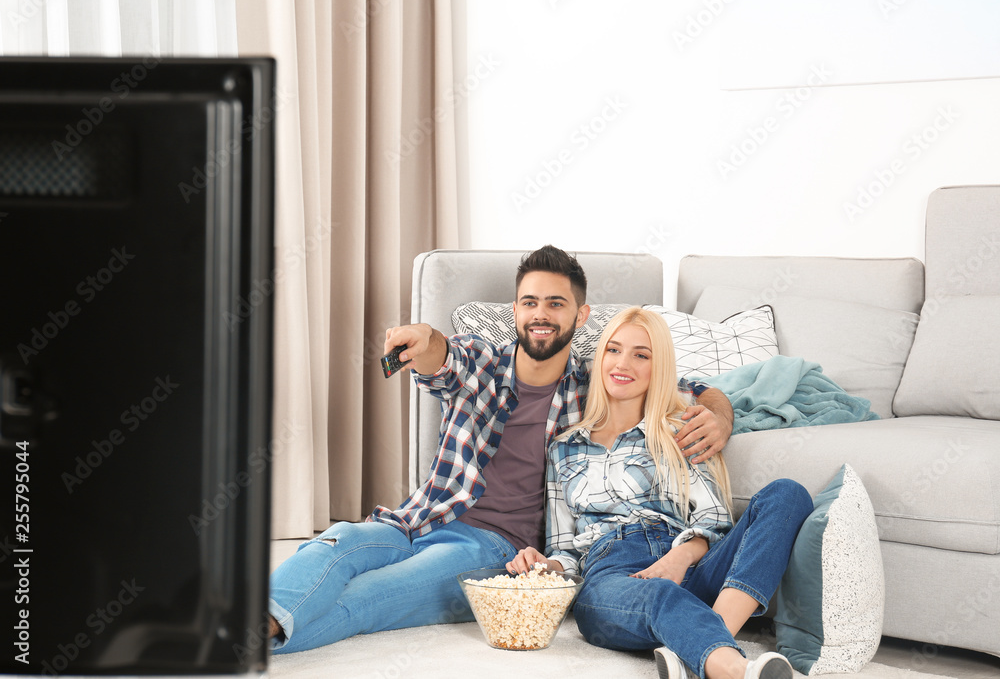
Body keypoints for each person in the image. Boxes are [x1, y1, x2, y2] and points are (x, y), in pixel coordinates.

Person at [267, 246, 735, 653]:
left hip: (493, 548)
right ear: (515, 310)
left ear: (581, 314)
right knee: (338, 542)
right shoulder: (480, 362)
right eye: (530, 302)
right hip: (420, 519)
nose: (541, 314)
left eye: (556, 303)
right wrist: (423, 338)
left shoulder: (595, 384)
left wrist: (719, 415)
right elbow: (439, 353)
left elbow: (688, 388)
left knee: (369, 597)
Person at [506, 307, 813, 679]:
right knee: (660, 596)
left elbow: (713, 519)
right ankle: (733, 668)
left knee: (787, 494)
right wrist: (545, 565)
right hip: (613, 578)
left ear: (659, 367)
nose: (623, 364)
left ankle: (699, 644)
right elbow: (565, 551)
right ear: (600, 357)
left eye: (641, 355)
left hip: (690, 563)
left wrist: (679, 558)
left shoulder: (678, 431)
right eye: (614, 350)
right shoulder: (563, 448)